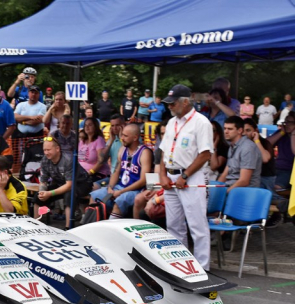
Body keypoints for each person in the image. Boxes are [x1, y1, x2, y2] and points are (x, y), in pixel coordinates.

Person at [159, 84, 213, 271]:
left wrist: (185, 175)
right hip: (171, 175)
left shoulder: (201, 122)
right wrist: (162, 175)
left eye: (173, 104)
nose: (170, 107)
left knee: (197, 225)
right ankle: (180, 266)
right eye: (169, 104)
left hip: (191, 177)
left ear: (185, 102)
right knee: (173, 225)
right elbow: (163, 151)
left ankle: (203, 267)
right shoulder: (172, 122)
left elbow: (205, 154)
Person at [89, 124, 152, 219]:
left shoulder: (144, 152)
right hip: (120, 187)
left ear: (135, 138)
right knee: (95, 196)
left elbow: (143, 180)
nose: (122, 138)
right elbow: (116, 172)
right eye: (122, 135)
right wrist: (110, 187)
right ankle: (91, 227)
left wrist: (122, 191)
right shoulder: (122, 150)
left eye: (125, 136)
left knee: (119, 202)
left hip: (135, 190)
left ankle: (111, 231)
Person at [34, 137, 75, 226]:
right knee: (37, 197)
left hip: (78, 184)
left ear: (57, 149)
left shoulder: (67, 160)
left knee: (68, 196)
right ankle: (36, 225)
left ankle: (68, 228)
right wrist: (42, 192)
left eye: (48, 150)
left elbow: (69, 185)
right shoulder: (45, 159)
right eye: (44, 150)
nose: (46, 153)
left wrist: (49, 193)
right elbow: (43, 180)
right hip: (60, 183)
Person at [218, 116, 262, 190]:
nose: (226, 131)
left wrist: (225, 193)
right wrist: (216, 190)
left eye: (230, 129)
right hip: (230, 187)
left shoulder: (248, 148)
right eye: (225, 128)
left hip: (244, 192)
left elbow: (244, 181)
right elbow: (224, 174)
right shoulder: (232, 146)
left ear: (240, 130)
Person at [266, 110, 295, 190]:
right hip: (276, 167)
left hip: (290, 170)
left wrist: (293, 135)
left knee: (277, 187)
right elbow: (266, 144)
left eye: (290, 122)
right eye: (286, 122)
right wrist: (281, 132)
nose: (287, 125)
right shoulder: (282, 133)